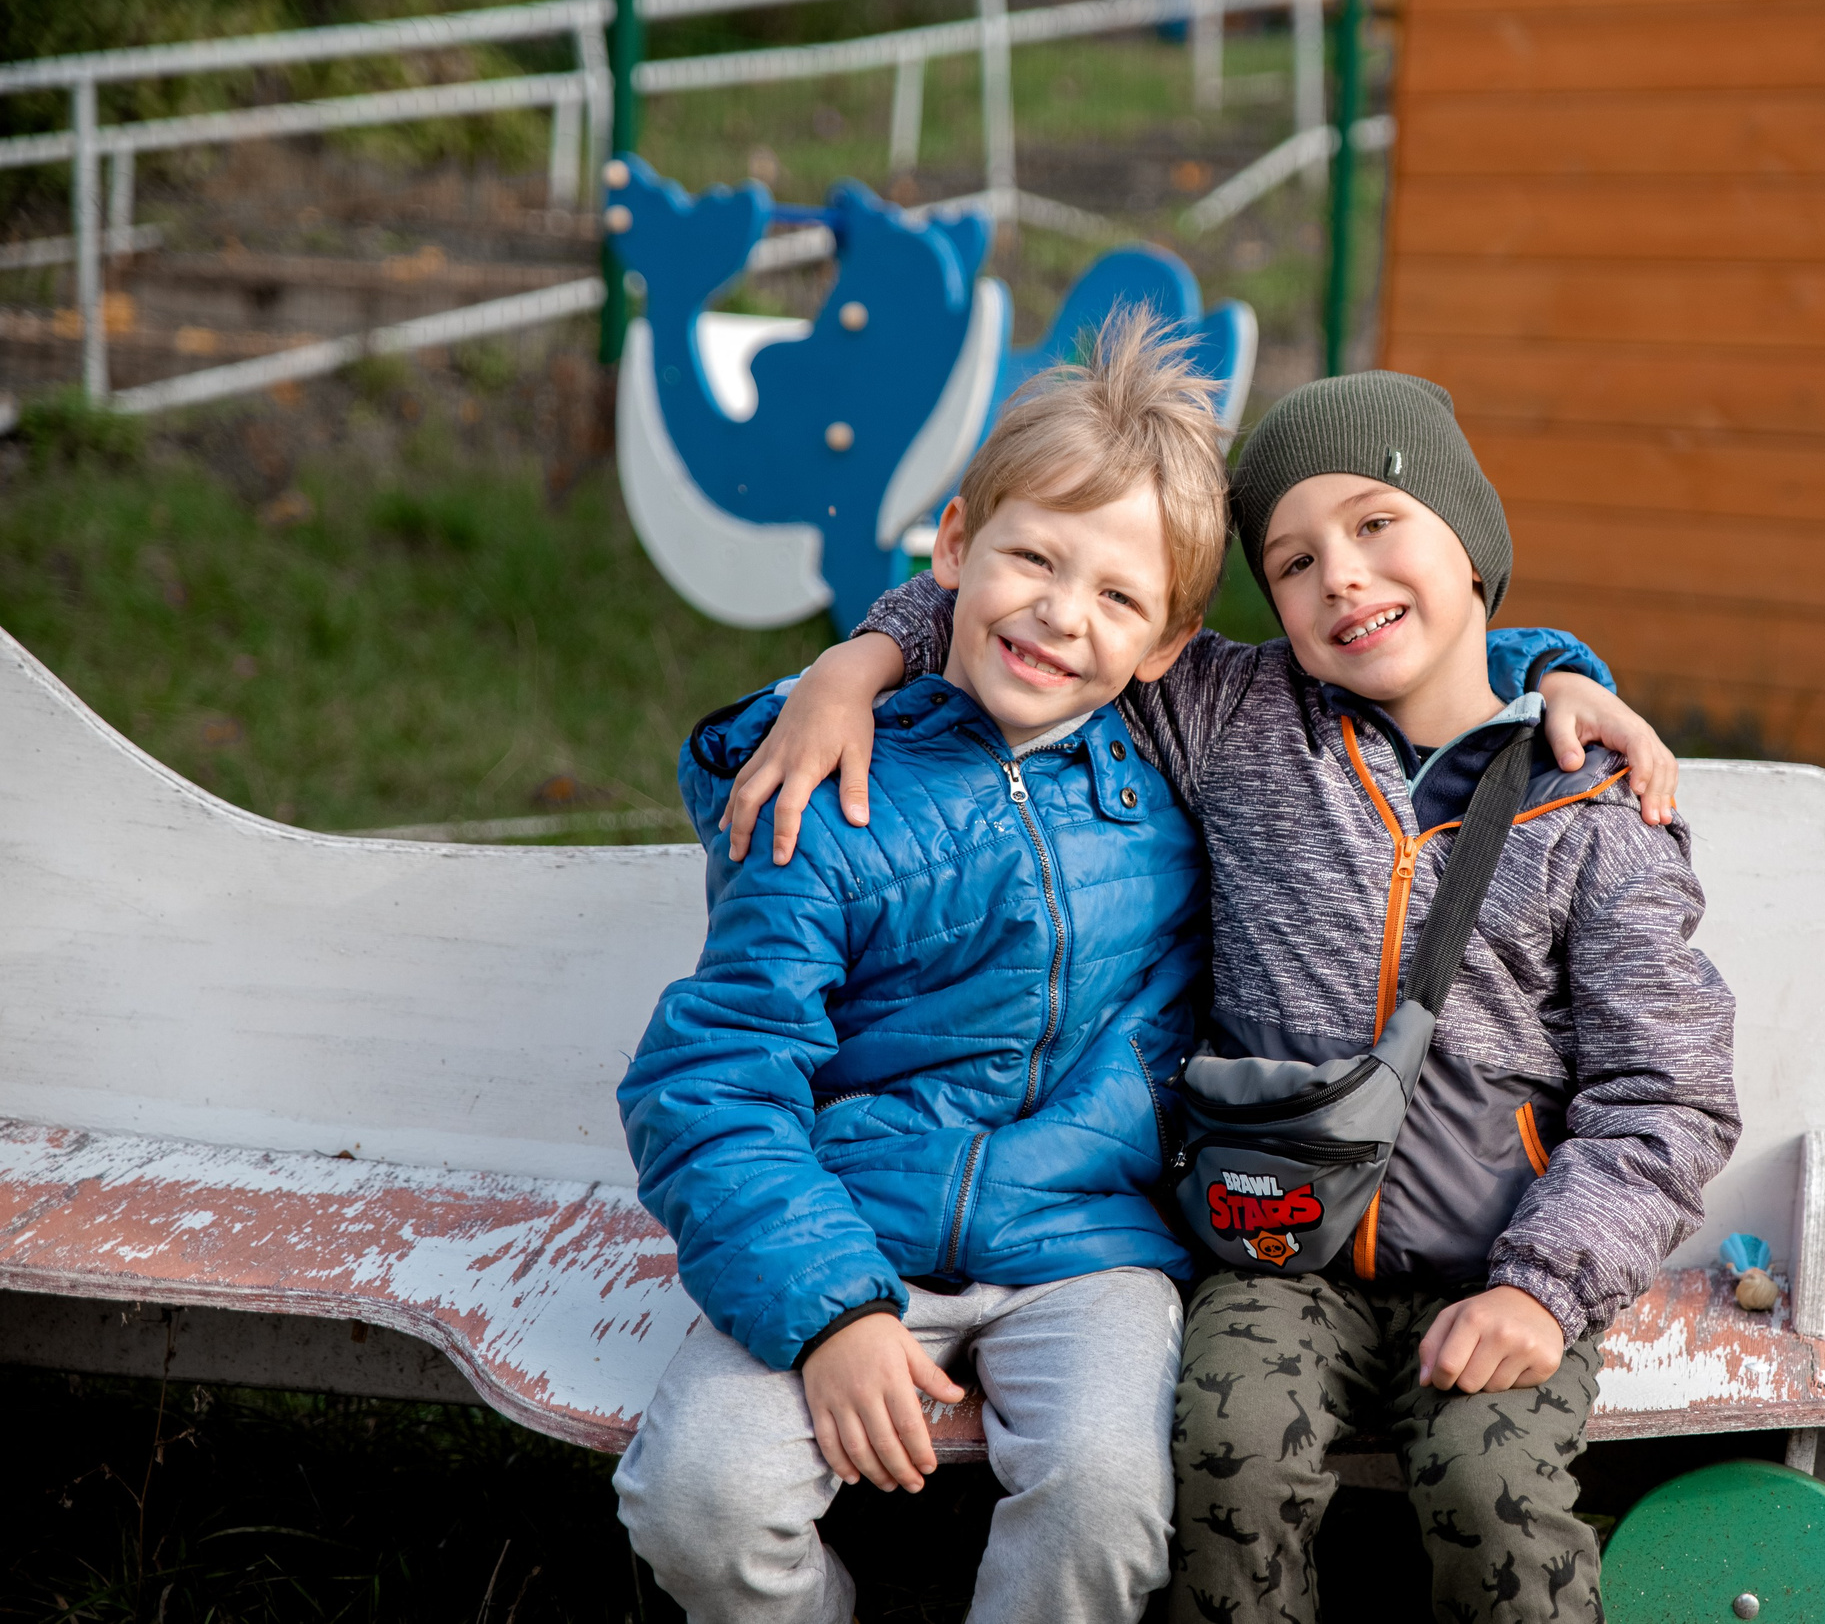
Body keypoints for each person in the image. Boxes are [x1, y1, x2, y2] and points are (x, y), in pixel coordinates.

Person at [615, 322, 1662, 1624]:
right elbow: (710, 1077)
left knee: (1111, 1506)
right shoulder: (843, 791)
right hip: (854, 1222)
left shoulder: (1199, 736)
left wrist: (1559, 671)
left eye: (1118, 598)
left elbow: (1430, 644)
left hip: (1087, 1239)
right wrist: (851, 665)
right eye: (1037, 564)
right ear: (954, 552)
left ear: (1164, 642)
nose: (1065, 613)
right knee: (696, 1497)